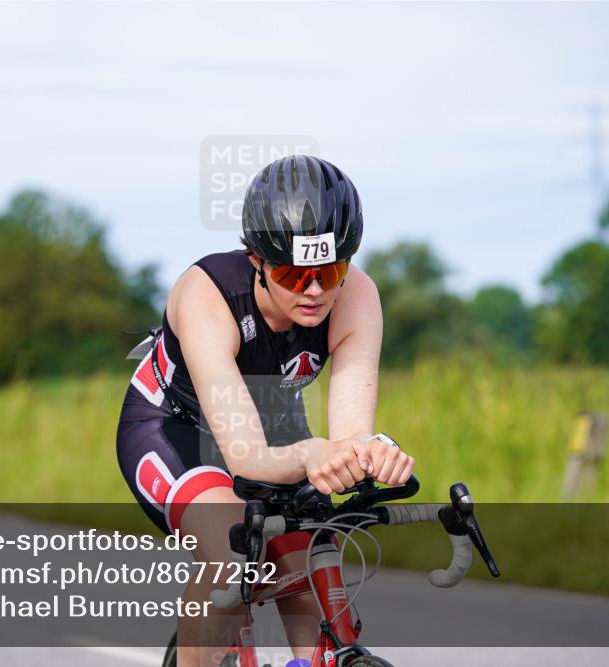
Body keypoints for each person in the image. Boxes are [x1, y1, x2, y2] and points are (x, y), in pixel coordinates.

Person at [116, 155, 415, 667]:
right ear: (256, 260)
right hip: (176, 428)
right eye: (296, 277)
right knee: (234, 558)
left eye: (331, 270)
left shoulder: (357, 295)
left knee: (304, 572)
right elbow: (247, 457)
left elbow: (349, 435)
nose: (317, 291)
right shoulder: (208, 295)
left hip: (273, 425)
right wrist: (318, 454)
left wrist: (375, 454)